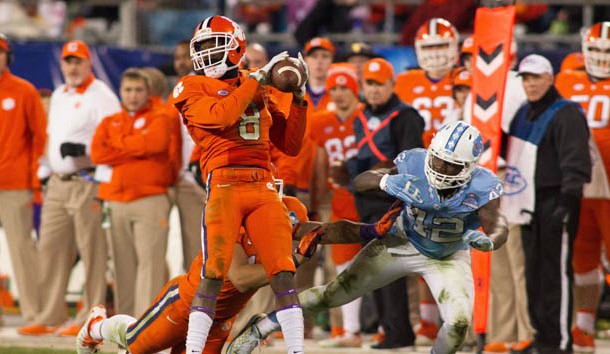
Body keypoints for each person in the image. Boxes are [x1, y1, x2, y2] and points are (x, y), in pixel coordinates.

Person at [230, 121, 509, 354]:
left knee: (459, 323)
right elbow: (360, 182)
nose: (440, 168)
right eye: (438, 159)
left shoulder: (483, 185)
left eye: (451, 166)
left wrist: (490, 240)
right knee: (334, 293)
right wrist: (385, 181)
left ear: (470, 167)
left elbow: (497, 223)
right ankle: (262, 327)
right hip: (399, 243)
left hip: (448, 256)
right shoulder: (415, 161)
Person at [167, 15, 308, 354]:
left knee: (283, 271)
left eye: (213, 45)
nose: (206, 54)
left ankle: (296, 350)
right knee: (213, 272)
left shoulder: (253, 83)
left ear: (236, 46)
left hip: (262, 185)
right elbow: (221, 116)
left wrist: (300, 99)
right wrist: (257, 80)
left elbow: (289, 145)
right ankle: (193, 350)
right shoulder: (190, 85)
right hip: (225, 184)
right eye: (201, 47)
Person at [18, 40, 121, 337]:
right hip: (58, 184)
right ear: (61, 65)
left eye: (78, 61)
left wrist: (89, 153)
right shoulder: (61, 94)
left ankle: (89, 316)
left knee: (92, 252)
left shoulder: (101, 95)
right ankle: (49, 315)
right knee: (50, 249)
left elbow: (114, 136)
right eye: (68, 62)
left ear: (89, 63)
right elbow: (51, 135)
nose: (73, 67)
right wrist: (45, 170)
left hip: (87, 180)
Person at [502, 54, 592, 354]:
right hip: (527, 203)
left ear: (550, 78)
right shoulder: (522, 114)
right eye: (525, 78)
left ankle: (561, 342)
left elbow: (576, 160)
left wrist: (568, 199)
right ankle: (544, 338)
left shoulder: (566, 113)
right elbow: (509, 149)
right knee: (535, 274)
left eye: (536, 77)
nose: (530, 84)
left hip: (557, 200)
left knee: (556, 274)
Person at [346, 57, 424, 349]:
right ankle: (386, 328)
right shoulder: (360, 116)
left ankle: (400, 332)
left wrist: (382, 174)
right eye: (370, 83)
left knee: (391, 269)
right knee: (373, 269)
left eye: (380, 83)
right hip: (365, 203)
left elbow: (411, 162)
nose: (375, 89)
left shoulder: (407, 116)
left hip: (392, 202)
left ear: (392, 84)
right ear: (363, 86)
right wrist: (352, 171)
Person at [90, 68, 172, 317]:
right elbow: (97, 154)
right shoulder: (109, 121)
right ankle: (125, 324)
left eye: (138, 90)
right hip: (115, 200)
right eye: (128, 90)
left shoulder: (161, 117)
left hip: (150, 198)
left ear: (148, 93)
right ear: (120, 92)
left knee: (151, 264)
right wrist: (137, 146)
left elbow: (155, 144)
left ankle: (147, 323)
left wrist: (118, 145)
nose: (133, 95)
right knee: (122, 266)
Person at [555, 22, 610, 354]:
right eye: (597, 50)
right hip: (577, 186)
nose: (602, 58)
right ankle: (584, 326)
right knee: (582, 259)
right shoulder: (566, 82)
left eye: (608, 52)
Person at [309, 65, 363, 348]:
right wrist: (317, 203)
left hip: (369, 199)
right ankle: (342, 329)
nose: (340, 94)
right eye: (334, 89)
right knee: (338, 264)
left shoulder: (366, 115)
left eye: (345, 88)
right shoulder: (320, 121)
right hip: (337, 198)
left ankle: (402, 324)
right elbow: (319, 167)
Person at [0, 32, 47, 324]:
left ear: (8, 57)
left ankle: (35, 314)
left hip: (15, 184)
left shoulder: (24, 91)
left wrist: (35, 180)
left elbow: (40, 138)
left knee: (22, 250)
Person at [168, 40, 207, 272]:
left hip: (199, 178)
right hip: (180, 178)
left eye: (186, 56)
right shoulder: (177, 88)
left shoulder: (203, 86)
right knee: (189, 249)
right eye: (177, 57)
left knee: (200, 249)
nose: (181, 62)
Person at [396, 17, 460, 148]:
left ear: (454, 46)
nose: (435, 53)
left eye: (441, 45)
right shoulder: (404, 80)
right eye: (429, 47)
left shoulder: (466, 78)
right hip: (415, 152)